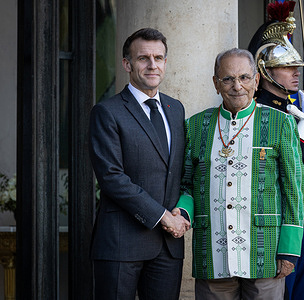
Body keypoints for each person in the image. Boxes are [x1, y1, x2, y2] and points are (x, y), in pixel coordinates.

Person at [175, 48, 304, 300]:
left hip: (265, 252)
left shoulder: (281, 123)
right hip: (212, 251)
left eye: (244, 78)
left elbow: (293, 189)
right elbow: (186, 184)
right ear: (216, 83)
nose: (237, 86)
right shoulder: (195, 126)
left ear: (256, 81)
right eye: (228, 79)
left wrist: (289, 249)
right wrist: (182, 211)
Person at [88, 27, 190, 300]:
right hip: (122, 243)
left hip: (168, 247)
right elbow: (112, 177)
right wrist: (163, 216)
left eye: (158, 57)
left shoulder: (175, 108)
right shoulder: (107, 112)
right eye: (143, 58)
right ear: (127, 64)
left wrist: (182, 212)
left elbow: (180, 170)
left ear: (166, 63)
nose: (152, 64)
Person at [247, 2, 304, 299]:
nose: (296, 72)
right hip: (280, 213)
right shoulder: (259, 112)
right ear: (265, 70)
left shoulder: (296, 108)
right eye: (286, 66)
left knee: (302, 290)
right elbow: (289, 160)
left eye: (296, 67)